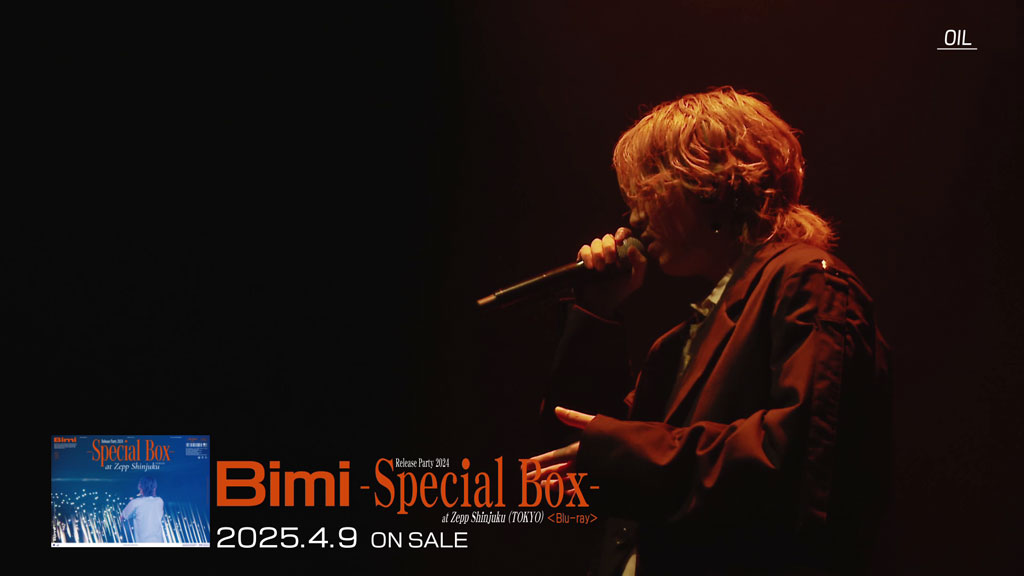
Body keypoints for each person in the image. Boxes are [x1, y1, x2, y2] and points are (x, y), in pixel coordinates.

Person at [532, 87, 891, 574]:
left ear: (711, 183)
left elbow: (797, 462)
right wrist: (597, 313)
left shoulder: (808, 281)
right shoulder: (678, 342)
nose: (634, 216)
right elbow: (574, 456)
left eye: (647, 191)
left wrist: (624, 454)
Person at [120, 476, 165, 543]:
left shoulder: (135, 503)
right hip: (159, 541)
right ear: (154, 488)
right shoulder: (160, 501)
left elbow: (123, 517)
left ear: (140, 487)